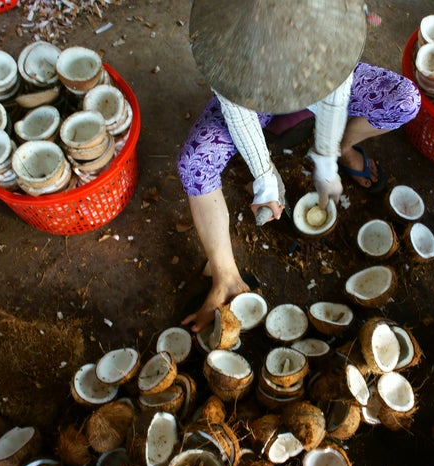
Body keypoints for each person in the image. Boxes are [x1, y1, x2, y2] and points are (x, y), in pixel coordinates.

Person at [177, 1, 421, 332]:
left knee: (405, 100)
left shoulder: (327, 27)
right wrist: (264, 177)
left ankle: (345, 144)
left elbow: (335, 92)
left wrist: (327, 159)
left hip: (319, 78)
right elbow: (237, 111)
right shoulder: (225, 33)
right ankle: (225, 276)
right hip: (250, 94)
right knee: (194, 164)